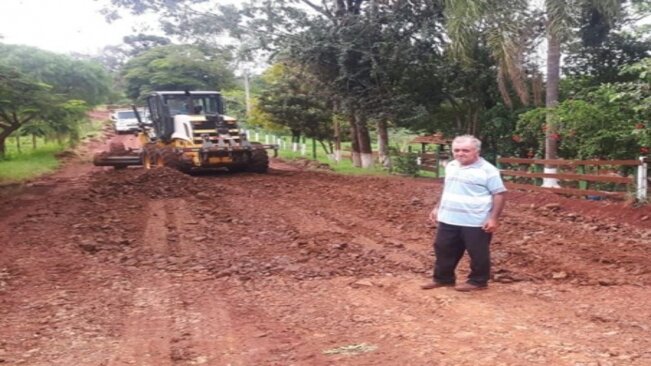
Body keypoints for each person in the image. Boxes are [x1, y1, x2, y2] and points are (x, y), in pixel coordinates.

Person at [422, 135, 506, 292]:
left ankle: (478, 281)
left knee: (477, 252)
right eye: (457, 150)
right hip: (448, 218)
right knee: (443, 248)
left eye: (465, 150)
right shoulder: (451, 165)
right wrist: (437, 207)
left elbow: (499, 194)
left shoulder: (488, 171)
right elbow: (448, 188)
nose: (460, 153)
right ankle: (443, 279)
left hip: (475, 220)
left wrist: (493, 218)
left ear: (477, 151)